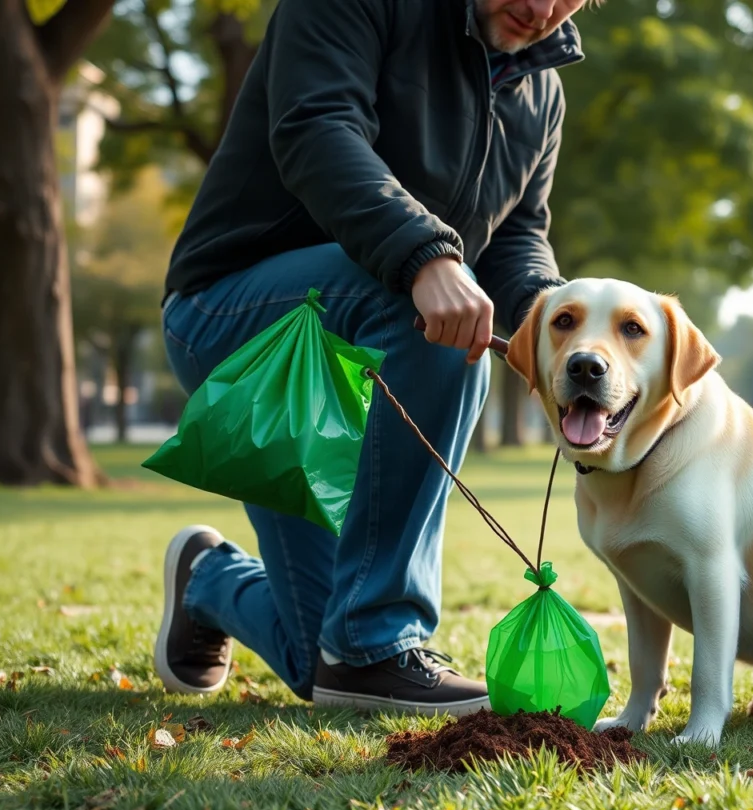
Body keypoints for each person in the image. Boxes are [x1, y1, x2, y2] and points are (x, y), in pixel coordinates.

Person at [152, 0, 591, 715]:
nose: (540, 8)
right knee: (423, 304)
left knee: (317, 662)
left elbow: (517, 236)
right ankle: (379, 642)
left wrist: (567, 326)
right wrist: (426, 256)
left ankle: (210, 580)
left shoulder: (541, 92)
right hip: (236, 321)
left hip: (366, 351)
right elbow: (317, 129)